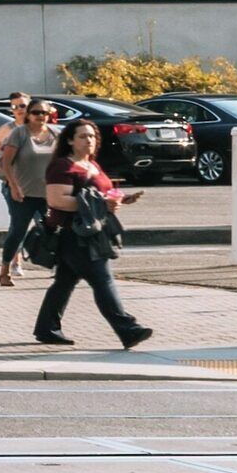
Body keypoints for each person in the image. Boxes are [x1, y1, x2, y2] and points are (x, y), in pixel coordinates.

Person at [32, 119, 152, 349]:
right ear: (70, 141)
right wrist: (101, 204)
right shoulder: (62, 166)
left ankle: (47, 328)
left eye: (92, 136)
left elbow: (101, 195)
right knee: (102, 280)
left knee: (64, 282)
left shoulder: (92, 165)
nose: (89, 140)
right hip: (73, 234)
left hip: (92, 230)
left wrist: (121, 199)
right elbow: (57, 200)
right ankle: (127, 329)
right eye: (83, 136)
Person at [0, 96, 59, 286]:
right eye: (36, 112)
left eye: (44, 112)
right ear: (28, 114)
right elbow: (6, 163)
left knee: (52, 230)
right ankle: (5, 270)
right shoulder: (19, 133)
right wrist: (13, 186)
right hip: (22, 194)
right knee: (18, 231)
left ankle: (58, 266)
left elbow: (60, 163)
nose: (40, 116)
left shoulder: (55, 134)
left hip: (47, 194)